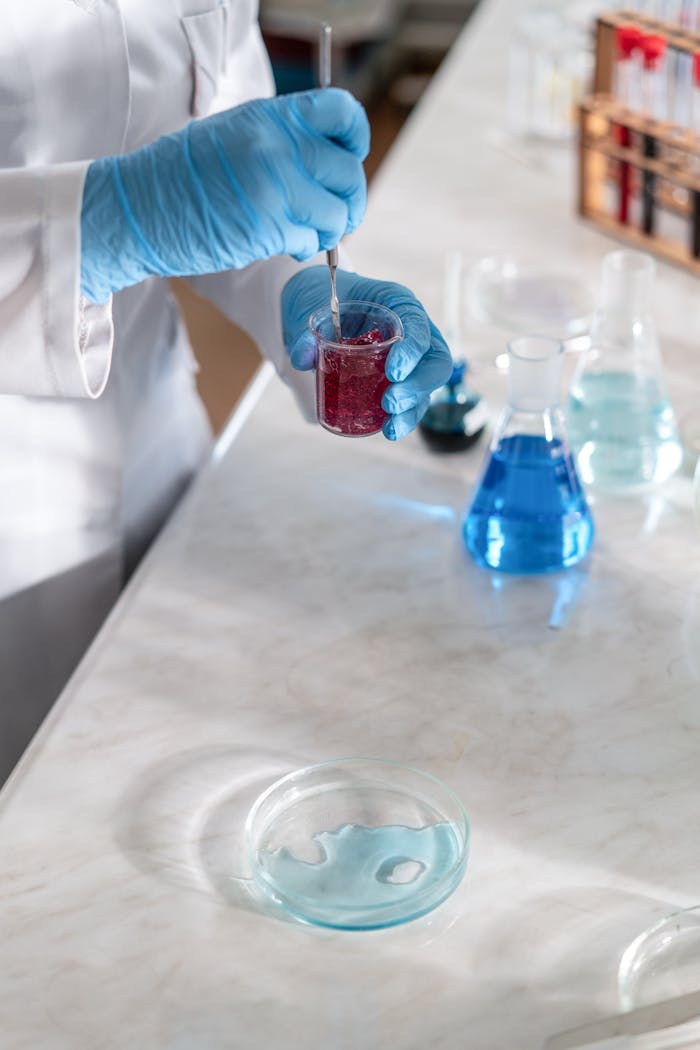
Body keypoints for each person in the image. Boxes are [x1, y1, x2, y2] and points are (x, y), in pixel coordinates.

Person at [0, 1, 452, 780]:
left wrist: (293, 278)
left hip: (157, 456)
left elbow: (214, 155)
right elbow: (156, 202)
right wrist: (109, 225)